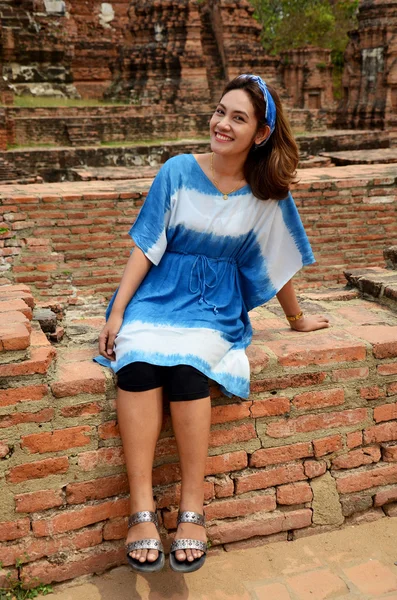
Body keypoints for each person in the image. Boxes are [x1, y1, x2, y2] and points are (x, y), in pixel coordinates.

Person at [95, 74, 329, 574]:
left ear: (261, 133)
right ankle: (140, 511)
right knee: (135, 364)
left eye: (238, 118)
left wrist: (297, 318)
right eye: (220, 111)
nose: (222, 124)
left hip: (213, 306)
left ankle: (192, 509)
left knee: (187, 371)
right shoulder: (177, 171)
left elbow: (277, 260)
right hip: (158, 294)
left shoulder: (266, 192)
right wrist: (118, 312)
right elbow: (146, 244)